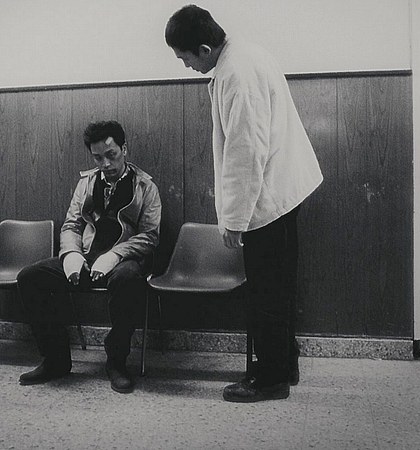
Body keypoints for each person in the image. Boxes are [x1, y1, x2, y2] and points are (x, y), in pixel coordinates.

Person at [165, 5, 323, 403]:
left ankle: (270, 379)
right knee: (278, 287)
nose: (185, 65)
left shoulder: (237, 71)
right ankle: (283, 363)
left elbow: (245, 151)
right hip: (280, 189)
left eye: (184, 57)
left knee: (267, 291)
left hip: (269, 195)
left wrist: (234, 220)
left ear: (204, 49)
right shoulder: (245, 55)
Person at [17, 120, 162, 394]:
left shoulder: (145, 187)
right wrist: (71, 254)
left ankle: (116, 362)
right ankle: (56, 359)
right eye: (98, 158)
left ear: (124, 149)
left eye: (111, 155)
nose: (105, 163)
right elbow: (71, 225)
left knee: (129, 279)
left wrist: (116, 254)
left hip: (122, 262)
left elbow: (150, 237)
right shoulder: (86, 183)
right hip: (86, 256)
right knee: (30, 277)